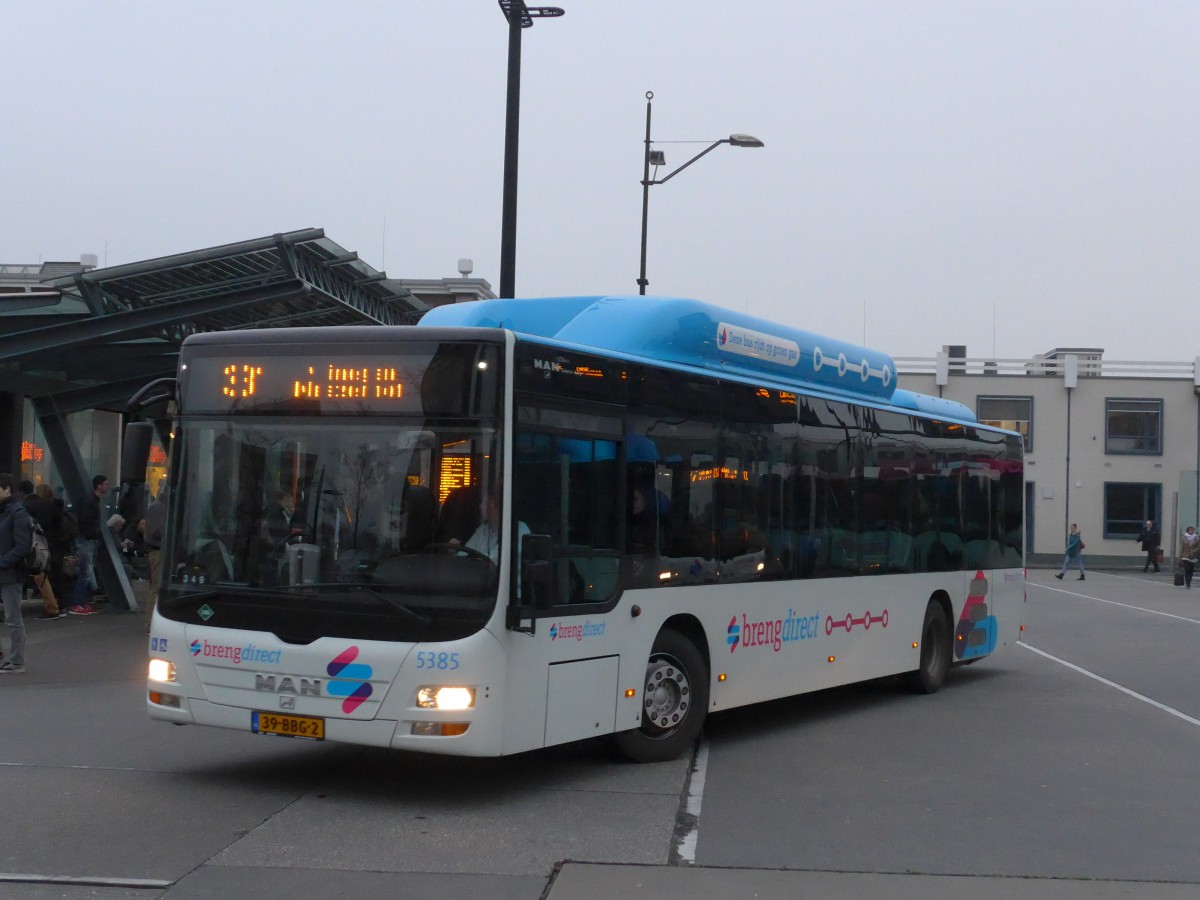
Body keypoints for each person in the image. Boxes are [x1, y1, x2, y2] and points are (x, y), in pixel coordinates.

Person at [0, 473, 34, 673]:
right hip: (5, 569)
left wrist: (3, 561)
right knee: (11, 617)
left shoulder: (18, 513)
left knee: (13, 617)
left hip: (11, 573)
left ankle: (17, 660)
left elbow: (23, 546)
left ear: (7, 489)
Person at [19, 480, 64, 620]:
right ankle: (56, 605)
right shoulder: (52, 505)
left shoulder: (25, 506)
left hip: (33, 544)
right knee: (45, 575)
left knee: (38, 575)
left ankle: (52, 608)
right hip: (51, 544)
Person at [69, 474, 108, 616]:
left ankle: (80, 601)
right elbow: (86, 520)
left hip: (87, 538)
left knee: (85, 571)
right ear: (99, 485)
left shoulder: (90, 500)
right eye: (105, 484)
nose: (107, 487)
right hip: (87, 539)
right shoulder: (91, 501)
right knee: (85, 571)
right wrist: (91, 534)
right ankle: (77, 602)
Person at [143, 483, 168, 631]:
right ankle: (150, 623)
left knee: (158, 586)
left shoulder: (160, 507)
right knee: (156, 587)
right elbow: (157, 531)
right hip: (158, 550)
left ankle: (153, 622)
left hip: (160, 550)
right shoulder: (158, 508)